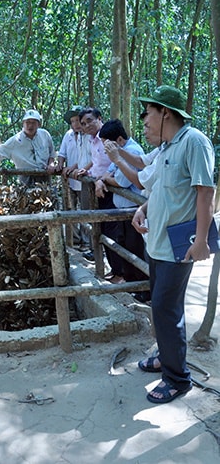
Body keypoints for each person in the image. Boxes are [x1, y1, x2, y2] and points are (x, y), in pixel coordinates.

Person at [132, 85, 215, 404]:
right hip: (156, 243)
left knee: (166, 310)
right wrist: (142, 208)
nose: (145, 122)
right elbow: (162, 190)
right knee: (162, 306)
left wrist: (203, 240)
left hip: (178, 246)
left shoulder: (194, 141)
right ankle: (165, 357)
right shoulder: (167, 147)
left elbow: (204, 191)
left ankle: (178, 378)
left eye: (148, 115)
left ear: (165, 112)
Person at [95, 119, 150, 292]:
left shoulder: (132, 151)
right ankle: (132, 284)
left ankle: (143, 289)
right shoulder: (122, 152)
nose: (105, 149)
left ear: (118, 140)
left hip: (133, 210)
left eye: (106, 144)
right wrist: (103, 178)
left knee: (135, 249)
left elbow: (122, 181)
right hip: (124, 210)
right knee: (125, 247)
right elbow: (108, 171)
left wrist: (106, 179)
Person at [76, 108, 125, 282]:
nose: (87, 125)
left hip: (111, 190)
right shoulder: (93, 140)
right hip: (100, 189)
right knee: (102, 231)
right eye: (83, 123)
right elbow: (97, 161)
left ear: (99, 118)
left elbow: (118, 163)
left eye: (90, 121)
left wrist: (102, 180)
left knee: (114, 233)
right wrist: (87, 169)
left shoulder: (109, 137)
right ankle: (114, 269)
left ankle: (121, 274)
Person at [0, 109, 55, 186]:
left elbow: (52, 152)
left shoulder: (45, 135)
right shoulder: (15, 141)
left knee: (49, 202)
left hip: (45, 176)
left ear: (39, 124)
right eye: (27, 122)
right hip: (26, 178)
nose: (30, 126)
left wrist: (51, 164)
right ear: (23, 124)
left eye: (33, 123)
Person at [56, 105, 91, 250]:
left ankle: (87, 242)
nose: (76, 124)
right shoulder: (68, 135)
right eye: (73, 121)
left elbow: (89, 157)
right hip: (70, 179)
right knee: (69, 209)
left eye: (78, 120)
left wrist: (75, 167)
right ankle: (74, 240)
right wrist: (60, 165)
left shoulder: (89, 136)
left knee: (86, 211)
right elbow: (62, 153)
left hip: (84, 179)